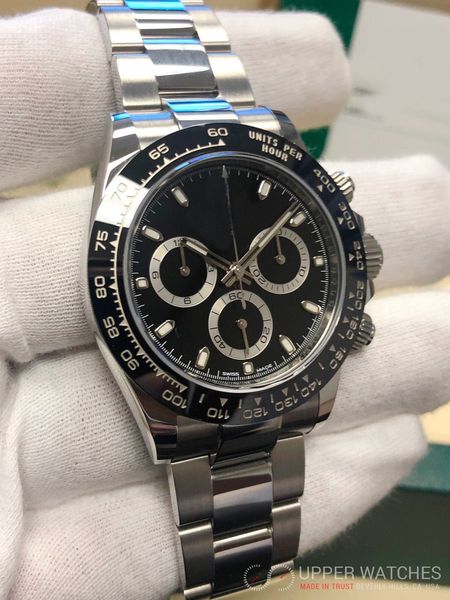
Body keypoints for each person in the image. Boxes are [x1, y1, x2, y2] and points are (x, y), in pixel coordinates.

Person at [0, 6, 449, 599]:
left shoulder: (293, 192)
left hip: (269, 372)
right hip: (191, 382)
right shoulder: (135, 157)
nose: (238, 274)